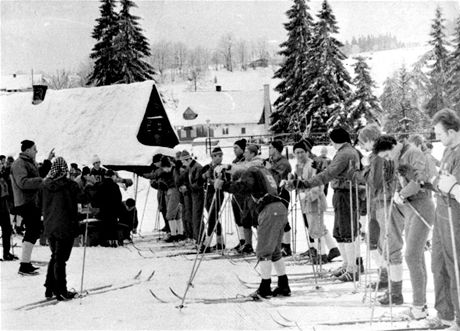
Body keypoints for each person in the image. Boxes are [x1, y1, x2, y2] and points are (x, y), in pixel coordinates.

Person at [289, 127, 360, 282]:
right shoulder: (347, 151)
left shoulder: (345, 153)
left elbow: (329, 174)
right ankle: (347, 264)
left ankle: (352, 269)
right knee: (339, 230)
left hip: (345, 193)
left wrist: (305, 183)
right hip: (342, 192)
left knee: (346, 230)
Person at [374, 134, 435, 312]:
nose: (387, 159)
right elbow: (402, 181)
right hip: (410, 208)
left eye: (386, 155)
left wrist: (402, 194)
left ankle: (418, 306)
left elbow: (419, 179)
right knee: (416, 256)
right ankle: (420, 304)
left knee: (411, 256)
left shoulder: (412, 153)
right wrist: (399, 192)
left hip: (421, 206)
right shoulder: (400, 156)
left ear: (393, 146)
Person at [215, 162, 291, 298]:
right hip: (280, 208)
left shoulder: (251, 171)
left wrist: (223, 185)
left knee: (263, 251)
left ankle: (265, 287)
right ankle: (283, 284)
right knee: (274, 250)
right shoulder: (265, 171)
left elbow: (243, 187)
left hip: (269, 210)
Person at [424, 108, 460, 330]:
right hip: (441, 212)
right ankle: (445, 313)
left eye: (440, 133)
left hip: (454, 215)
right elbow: (440, 181)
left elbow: (450, 186)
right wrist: (438, 183)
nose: (436, 137)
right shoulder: (447, 151)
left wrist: (452, 187)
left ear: (453, 131)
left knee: (454, 264)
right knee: (438, 263)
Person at [288, 139, 339, 264]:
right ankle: (333, 249)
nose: (299, 155)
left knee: (315, 228)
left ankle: (321, 255)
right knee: (317, 226)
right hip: (306, 202)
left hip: (314, 201)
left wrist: (307, 195)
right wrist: (290, 182)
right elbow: (299, 183)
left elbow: (319, 184)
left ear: (307, 152)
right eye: (297, 153)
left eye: (302, 152)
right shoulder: (298, 166)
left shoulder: (312, 165)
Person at [11, 140, 54, 275]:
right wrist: (42, 181)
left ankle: (25, 263)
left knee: (34, 230)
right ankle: (24, 265)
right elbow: (23, 183)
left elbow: (38, 174)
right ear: (27, 150)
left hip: (32, 202)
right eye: (34, 149)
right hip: (25, 202)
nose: (36, 151)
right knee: (33, 229)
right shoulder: (19, 164)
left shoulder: (28, 163)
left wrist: (48, 161)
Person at [41, 157, 80, 300]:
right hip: (66, 226)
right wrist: (89, 184)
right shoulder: (71, 185)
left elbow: (40, 204)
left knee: (55, 257)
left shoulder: (45, 185)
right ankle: (61, 291)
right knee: (61, 259)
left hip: (50, 226)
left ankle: (49, 287)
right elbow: (83, 198)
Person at [355, 124, 388, 290]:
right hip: (375, 203)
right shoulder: (377, 156)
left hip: (379, 203)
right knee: (374, 242)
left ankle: (386, 277)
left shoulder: (378, 157)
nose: (362, 146)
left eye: (363, 142)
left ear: (370, 140)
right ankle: (384, 276)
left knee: (376, 242)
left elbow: (374, 182)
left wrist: (366, 168)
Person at [266, 140, 292, 256]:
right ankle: (279, 245)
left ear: (276, 149)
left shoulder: (284, 163)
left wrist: (269, 169)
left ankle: (287, 246)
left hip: (282, 192)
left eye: (270, 148)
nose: (269, 150)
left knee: (283, 219)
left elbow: (277, 178)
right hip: (272, 193)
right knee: (275, 220)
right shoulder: (271, 161)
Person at [199, 147, 225, 252]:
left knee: (212, 216)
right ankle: (220, 242)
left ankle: (207, 243)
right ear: (212, 157)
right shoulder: (207, 167)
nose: (219, 158)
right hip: (208, 194)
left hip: (218, 193)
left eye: (221, 156)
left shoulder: (223, 167)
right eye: (217, 156)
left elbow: (225, 179)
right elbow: (201, 178)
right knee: (214, 218)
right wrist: (205, 176)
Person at [92, 169, 123, 247]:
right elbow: (119, 199)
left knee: (104, 225)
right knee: (113, 225)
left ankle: (104, 241)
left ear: (105, 176)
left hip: (103, 210)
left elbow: (95, 199)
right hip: (113, 210)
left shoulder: (100, 185)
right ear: (112, 176)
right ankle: (113, 241)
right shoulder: (115, 186)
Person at [180, 150, 205, 244]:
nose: (183, 164)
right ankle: (197, 238)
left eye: (183, 161)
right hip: (193, 194)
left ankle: (200, 238)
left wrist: (188, 188)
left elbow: (198, 183)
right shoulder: (190, 167)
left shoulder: (197, 167)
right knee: (193, 217)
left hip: (198, 194)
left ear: (187, 159)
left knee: (197, 217)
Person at [230, 139, 247, 252]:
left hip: (243, 193)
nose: (234, 150)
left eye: (236, 148)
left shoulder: (246, 161)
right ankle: (241, 240)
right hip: (235, 193)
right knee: (237, 218)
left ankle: (247, 241)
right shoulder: (234, 161)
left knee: (244, 217)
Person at [0, 157, 17, 261]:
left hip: (4, 206)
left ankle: (6, 253)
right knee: (6, 229)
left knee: (7, 230)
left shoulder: (2, 176)